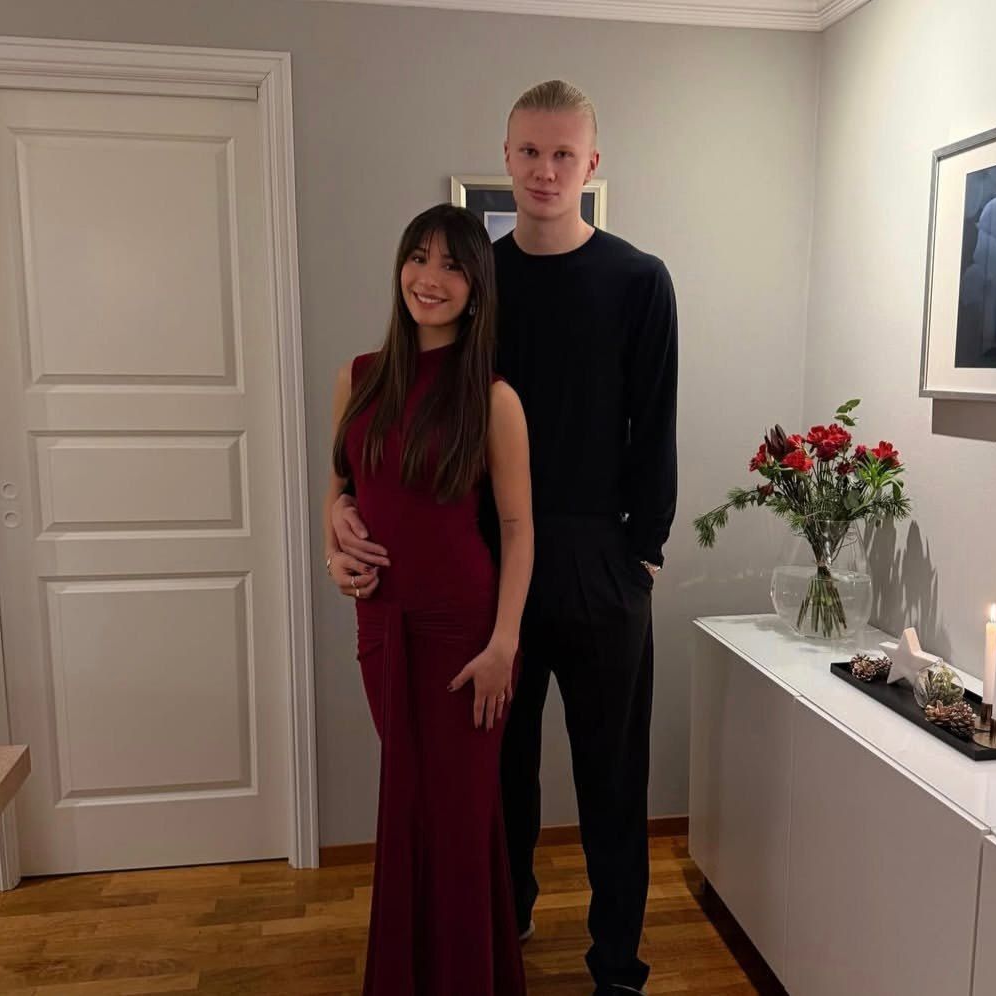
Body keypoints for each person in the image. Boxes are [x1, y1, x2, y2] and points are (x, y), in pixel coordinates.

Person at [333, 81, 678, 996]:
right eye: (529, 151)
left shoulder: (640, 280)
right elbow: (406, 407)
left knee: (612, 777)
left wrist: (643, 554)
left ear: (591, 163)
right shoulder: (479, 278)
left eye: (564, 154)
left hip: (602, 560)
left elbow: (656, 421)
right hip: (489, 569)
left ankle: (617, 964)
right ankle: (506, 919)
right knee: (500, 774)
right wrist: (342, 501)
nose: (545, 170)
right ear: (507, 156)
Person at [324, 203, 532, 996]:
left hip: (464, 635)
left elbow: (517, 529)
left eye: (451, 265)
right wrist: (334, 547)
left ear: (477, 287)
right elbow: (340, 488)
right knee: (409, 805)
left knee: (459, 815)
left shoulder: (494, 398)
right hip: (381, 624)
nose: (430, 278)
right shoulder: (358, 377)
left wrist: (504, 644)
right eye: (418, 257)